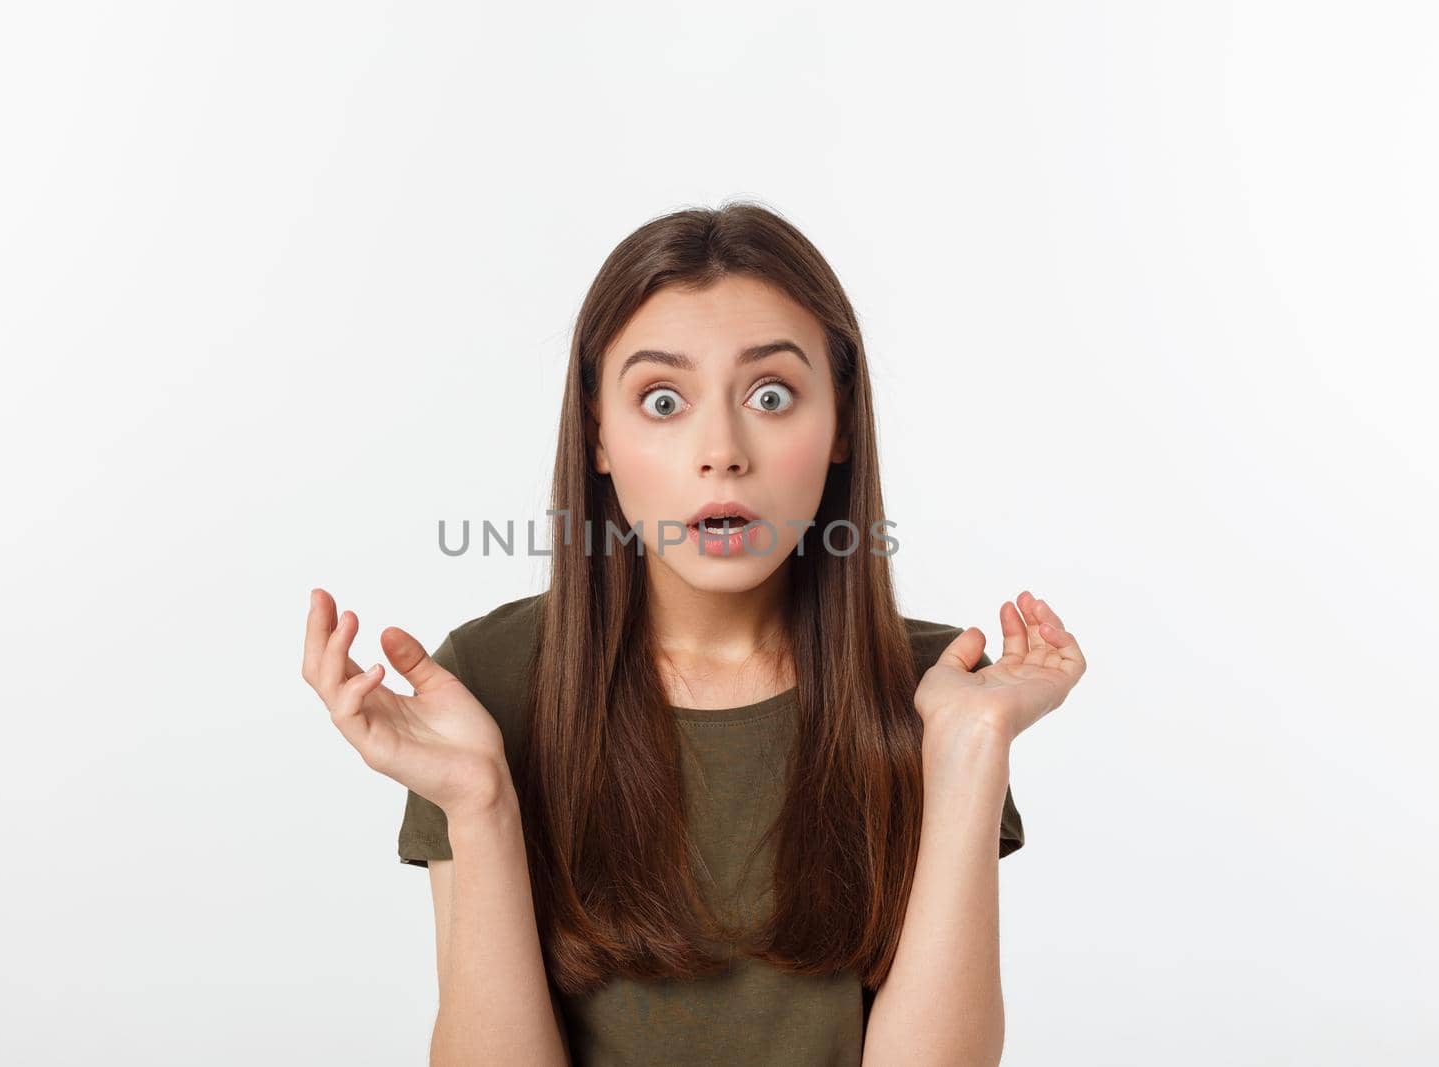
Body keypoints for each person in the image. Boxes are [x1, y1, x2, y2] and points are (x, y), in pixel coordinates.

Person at [300, 201, 1087, 1066]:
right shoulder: (487, 681)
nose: (721, 449)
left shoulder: (940, 688)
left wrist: (970, 752)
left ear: (842, 428)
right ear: (599, 434)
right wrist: (479, 802)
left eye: (772, 394)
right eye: (663, 399)